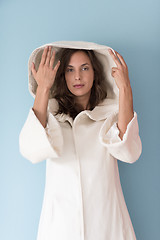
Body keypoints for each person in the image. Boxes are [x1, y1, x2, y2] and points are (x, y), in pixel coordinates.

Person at [19, 41, 142, 240]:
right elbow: (30, 149)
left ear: (95, 72)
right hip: (60, 227)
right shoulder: (51, 120)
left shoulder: (108, 118)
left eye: (85, 68)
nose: (77, 76)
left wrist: (125, 88)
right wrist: (43, 88)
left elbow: (129, 151)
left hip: (106, 225)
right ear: (62, 76)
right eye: (70, 70)